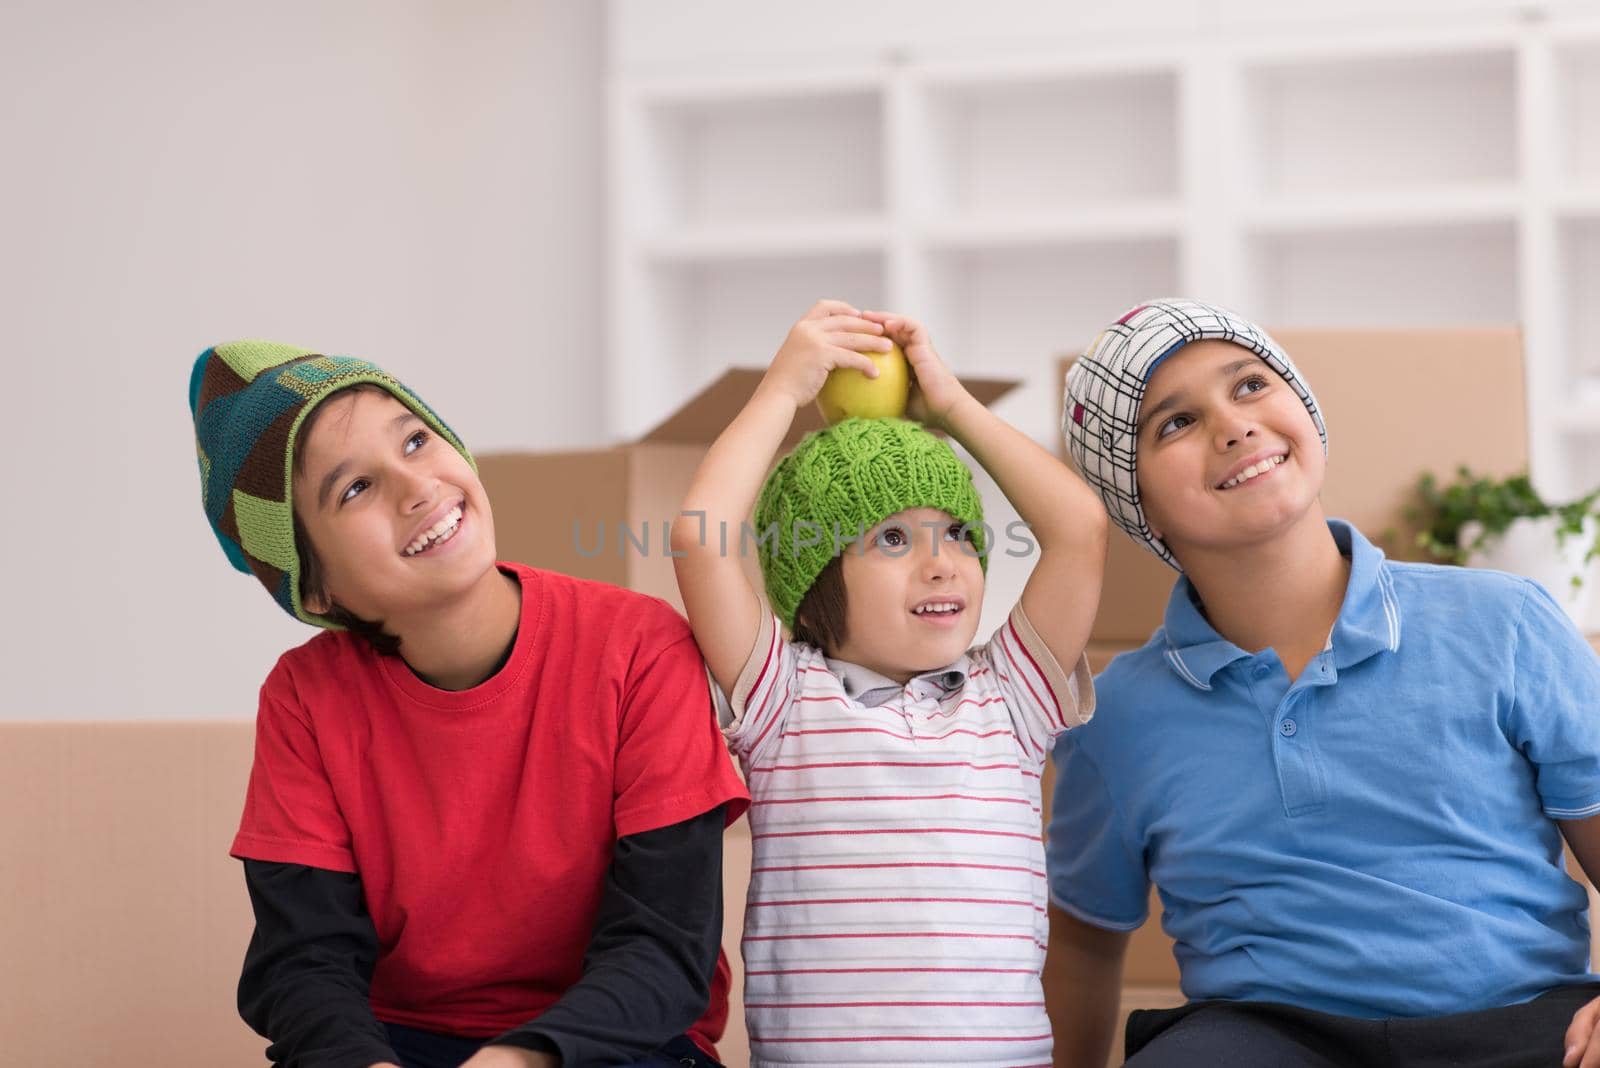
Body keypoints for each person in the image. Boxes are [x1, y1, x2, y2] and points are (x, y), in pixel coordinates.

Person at [1045, 298, 1600, 1068]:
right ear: (1134, 501)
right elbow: (1080, 946)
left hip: (1522, 1021)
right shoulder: (1115, 717)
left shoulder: (1503, 622)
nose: (1233, 426)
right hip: (1265, 1035)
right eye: (1174, 423)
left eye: (1248, 386)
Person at [188, 341, 750, 1068]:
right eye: (354, 488)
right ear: (315, 589)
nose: (416, 486)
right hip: (398, 1044)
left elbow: (664, 950)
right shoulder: (305, 699)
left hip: (619, 1045)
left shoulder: (641, 646)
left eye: (416, 440)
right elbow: (305, 962)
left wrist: (516, 1061)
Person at [670, 299, 1107, 1064]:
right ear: (813, 580)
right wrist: (782, 390)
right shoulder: (783, 701)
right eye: (895, 538)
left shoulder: (1010, 697)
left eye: (960, 536)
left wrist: (951, 405)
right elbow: (700, 538)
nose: (942, 563)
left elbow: (1079, 527)